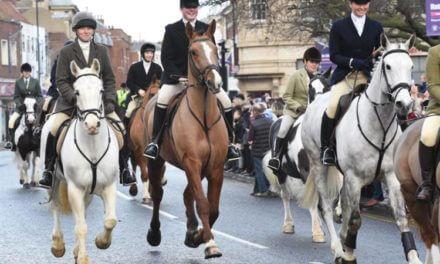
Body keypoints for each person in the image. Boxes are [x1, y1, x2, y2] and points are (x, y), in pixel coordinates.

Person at [38, 11, 136, 188]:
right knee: (51, 128)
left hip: (98, 104)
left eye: (89, 28)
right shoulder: (66, 52)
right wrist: (75, 99)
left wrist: (109, 101)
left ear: (93, 31)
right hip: (70, 103)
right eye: (82, 28)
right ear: (76, 31)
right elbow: (61, 80)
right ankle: (48, 170)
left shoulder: (102, 51)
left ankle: (124, 169)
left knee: (120, 129)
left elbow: (109, 79)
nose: (86, 31)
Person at [143, 0, 240, 161]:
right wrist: (178, 77)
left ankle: (230, 144)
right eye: (188, 8)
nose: (192, 10)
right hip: (177, 79)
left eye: (194, 7)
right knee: (162, 99)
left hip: (204, 80)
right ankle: (155, 142)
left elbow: (213, 56)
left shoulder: (206, 28)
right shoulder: (172, 29)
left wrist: (212, 74)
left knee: (227, 102)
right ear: (182, 9)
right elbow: (166, 58)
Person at [320, 0, 383, 165]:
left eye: (365, 4)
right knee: (333, 106)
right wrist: (352, 61)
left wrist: (375, 58)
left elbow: (381, 49)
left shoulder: (376, 26)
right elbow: (334, 55)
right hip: (345, 76)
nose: (361, 7)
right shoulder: (338, 26)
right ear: (350, 4)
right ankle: (327, 148)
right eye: (358, 4)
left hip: (367, 75)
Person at [268, 47, 321, 170]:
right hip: (294, 112)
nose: (315, 65)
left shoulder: (319, 77)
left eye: (317, 62)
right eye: (312, 61)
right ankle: (276, 157)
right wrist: (298, 107)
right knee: (283, 130)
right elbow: (286, 96)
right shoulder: (296, 75)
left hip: (312, 113)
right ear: (305, 61)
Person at [415, 44, 440, 201]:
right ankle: (427, 185)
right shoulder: (435, 52)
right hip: (439, 108)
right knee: (428, 136)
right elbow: (433, 86)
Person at [5, 63, 42, 151]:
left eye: (28, 71)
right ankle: (11, 142)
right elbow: (16, 96)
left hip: (32, 109)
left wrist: (36, 103)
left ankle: (43, 141)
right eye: (25, 72)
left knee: (42, 121)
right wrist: (20, 105)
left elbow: (40, 95)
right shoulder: (18, 82)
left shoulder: (35, 81)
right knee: (11, 121)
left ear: (30, 72)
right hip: (21, 108)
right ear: (22, 72)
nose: (27, 73)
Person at [125, 42, 163, 124]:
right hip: (137, 98)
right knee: (128, 112)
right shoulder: (134, 67)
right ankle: (125, 134)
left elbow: (162, 82)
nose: (150, 55)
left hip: (153, 98)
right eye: (147, 53)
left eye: (151, 53)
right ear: (143, 54)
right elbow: (129, 82)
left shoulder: (158, 68)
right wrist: (138, 90)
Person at [41, 40, 75, 123]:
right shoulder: (58, 62)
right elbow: (53, 78)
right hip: (57, 91)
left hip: (73, 91)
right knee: (46, 104)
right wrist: (59, 88)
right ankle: (40, 125)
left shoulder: (77, 64)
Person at [248, 103, 274, 197]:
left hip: (257, 151)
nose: (252, 113)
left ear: (255, 112)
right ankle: (257, 190)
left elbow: (250, 139)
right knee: (267, 171)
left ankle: (263, 190)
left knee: (259, 171)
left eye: (252, 111)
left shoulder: (254, 124)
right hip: (268, 151)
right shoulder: (270, 121)